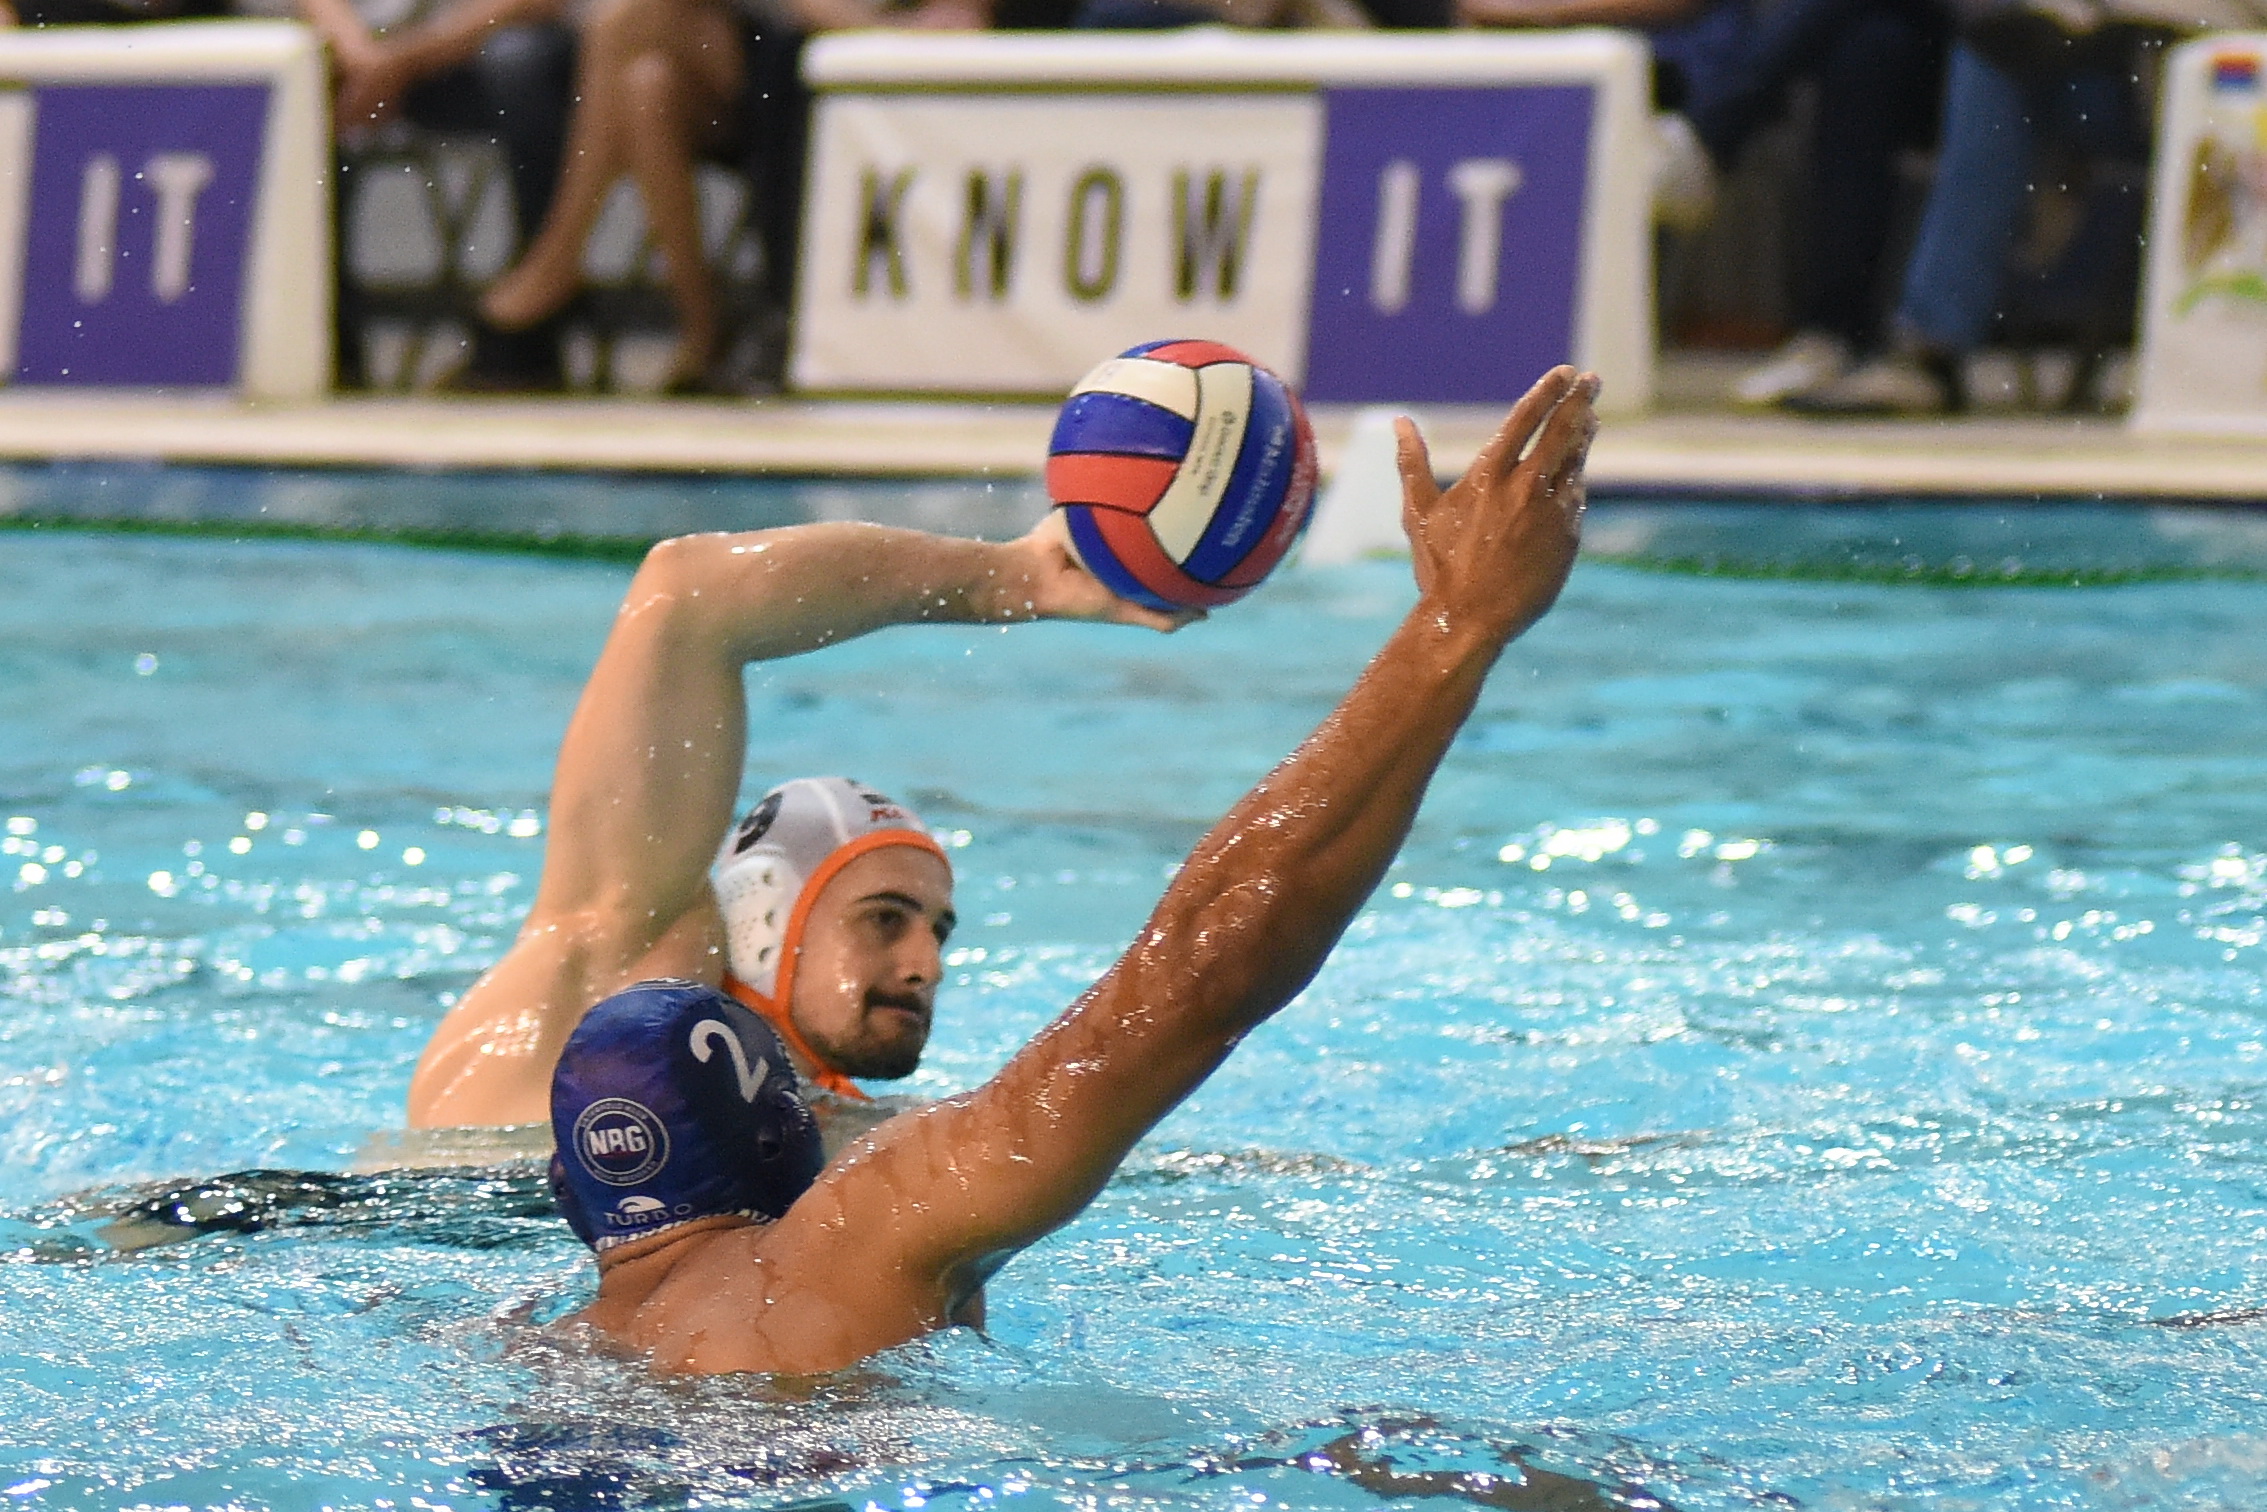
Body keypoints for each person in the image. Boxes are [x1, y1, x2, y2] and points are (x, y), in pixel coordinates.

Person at [536, 366, 1598, 1374]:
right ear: (789, 1134)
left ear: (566, 1185)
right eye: (883, 917)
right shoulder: (853, 1239)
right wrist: (1458, 625)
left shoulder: (529, 1344)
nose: (923, 963)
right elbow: (1200, 972)